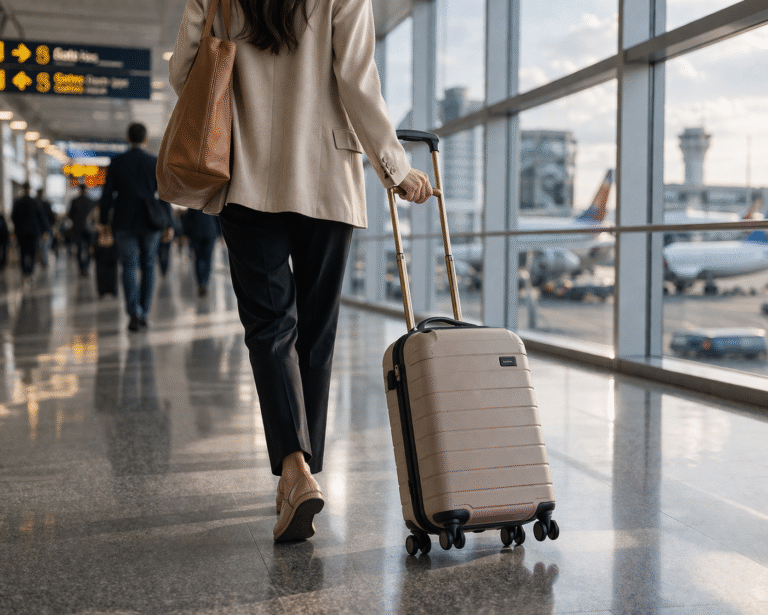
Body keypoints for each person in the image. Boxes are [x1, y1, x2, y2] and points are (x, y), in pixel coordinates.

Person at [169, 0, 433, 543]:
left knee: (270, 330)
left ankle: (294, 468)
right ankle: (301, 471)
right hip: (327, 177)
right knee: (315, 335)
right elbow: (357, 81)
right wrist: (396, 170)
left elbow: (184, 71)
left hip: (244, 173)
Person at [99, 123, 174, 332]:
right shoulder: (154, 162)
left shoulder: (116, 163)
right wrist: (169, 223)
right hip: (151, 221)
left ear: (127, 137)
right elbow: (164, 195)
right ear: (146, 138)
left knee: (129, 265)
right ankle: (144, 311)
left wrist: (104, 222)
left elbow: (107, 197)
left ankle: (134, 312)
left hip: (123, 221)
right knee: (149, 265)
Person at [11, 181, 48, 283]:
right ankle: (30, 272)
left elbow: (13, 217)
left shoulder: (17, 202)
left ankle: (24, 272)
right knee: (32, 252)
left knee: (23, 252)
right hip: (33, 232)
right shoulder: (35, 202)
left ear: (23, 188)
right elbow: (41, 217)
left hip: (21, 232)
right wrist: (44, 230)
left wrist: (16, 228)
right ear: (30, 188)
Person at [181, 208, 221, 296]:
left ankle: (200, 283)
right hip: (210, 232)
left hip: (197, 233)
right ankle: (205, 282)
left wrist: (185, 233)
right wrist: (220, 234)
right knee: (208, 259)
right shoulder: (211, 201)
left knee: (198, 259)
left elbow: (188, 219)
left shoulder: (194, 203)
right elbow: (218, 218)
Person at [68, 182, 98, 276]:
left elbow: (70, 215)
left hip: (78, 229)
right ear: (86, 189)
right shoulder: (92, 201)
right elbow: (95, 216)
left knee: (79, 249)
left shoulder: (74, 201)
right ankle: (86, 267)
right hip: (90, 230)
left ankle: (81, 268)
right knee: (89, 249)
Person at [36, 188, 56, 266]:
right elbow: (52, 217)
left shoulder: (35, 203)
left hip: (37, 229)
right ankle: (44, 261)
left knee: (40, 245)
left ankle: (42, 260)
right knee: (45, 246)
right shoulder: (46, 204)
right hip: (46, 228)